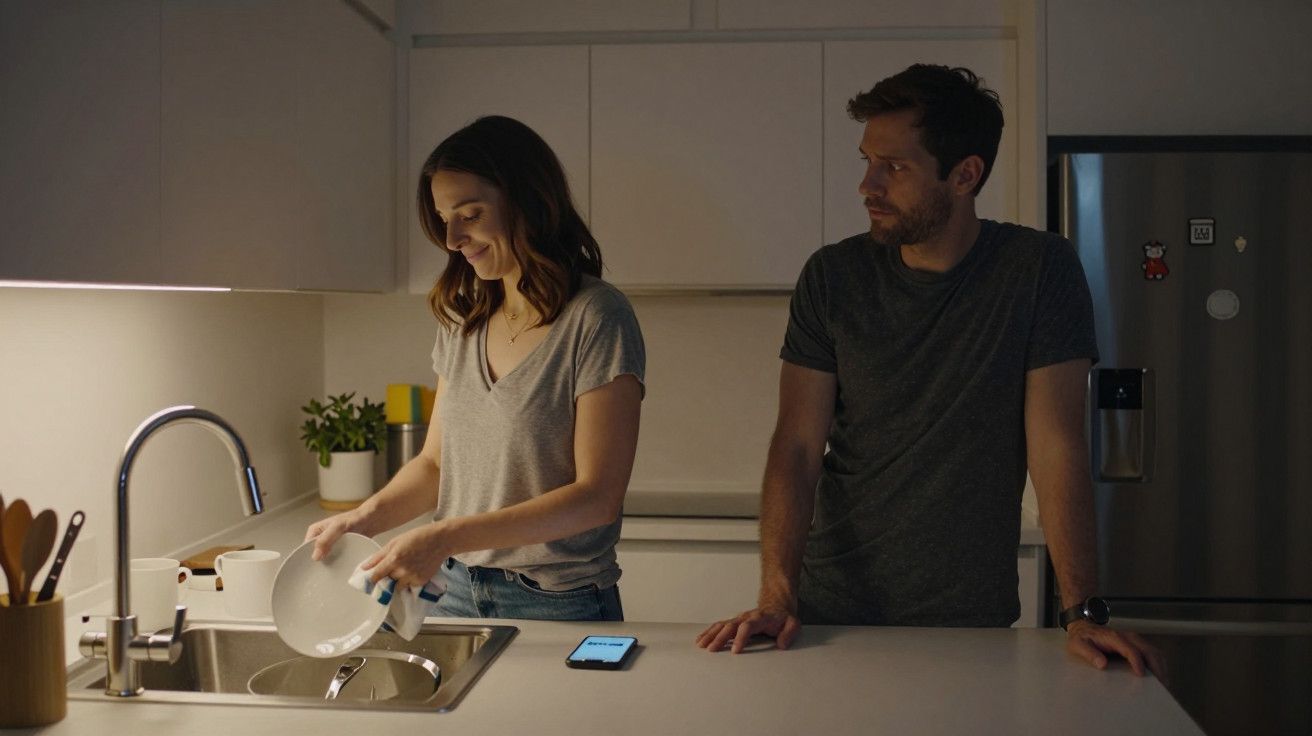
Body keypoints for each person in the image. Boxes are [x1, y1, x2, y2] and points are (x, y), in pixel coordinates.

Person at [696, 64, 1165, 678]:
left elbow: (1056, 444)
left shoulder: (1038, 270)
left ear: (965, 174)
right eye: (867, 160)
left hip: (969, 622)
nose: (867, 185)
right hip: (830, 618)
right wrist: (775, 597)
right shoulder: (831, 277)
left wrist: (1082, 610)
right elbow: (797, 446)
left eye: (894, 166)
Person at [306, 115, 645, 622]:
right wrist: (362, 519)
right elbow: (434, 466)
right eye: (445, 217)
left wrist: (443, 535)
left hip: (558, 601)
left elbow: (596, 498)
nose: (452, 238)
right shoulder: (464, 319)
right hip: (454, 593)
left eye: (470, 213)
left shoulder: (597, 319)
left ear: (528, 202)